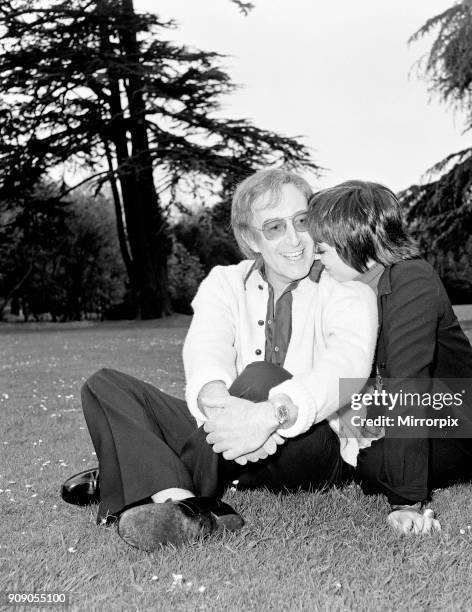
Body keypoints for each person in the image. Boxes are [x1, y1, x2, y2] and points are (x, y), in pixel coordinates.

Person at [61, 169, 378, 551]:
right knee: (103, 384)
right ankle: (185, 506)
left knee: (261, 378)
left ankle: (128, 472)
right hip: (230, 433)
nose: (295, 239)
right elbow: (206, 349)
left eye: (302, 222)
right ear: (251, 238)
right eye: (275, 227)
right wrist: (223, 403)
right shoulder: (224, 282)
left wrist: (269, 414)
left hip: (310, 446)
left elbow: (346, 365)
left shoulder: (345, 289)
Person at [307, 180, 472, 535]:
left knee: (373, 465)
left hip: (467, 429)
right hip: (422, 413)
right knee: (348, 449)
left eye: (321, 250)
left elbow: (407, 381)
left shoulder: (411, 279)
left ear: (353, 242)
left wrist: (405, 501)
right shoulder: (360, 287)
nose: (317, 261)